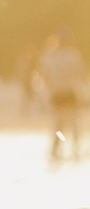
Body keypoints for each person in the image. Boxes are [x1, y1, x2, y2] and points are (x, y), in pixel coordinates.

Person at [31, 32, 86, 163]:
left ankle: (55, 151)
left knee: (58, 123)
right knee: (74, 122)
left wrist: (47, 93)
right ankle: (76, 151)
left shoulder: (49, 57)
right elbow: (80, 75)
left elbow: (42, 76)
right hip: (70, 92)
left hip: (56, 94)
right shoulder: (73, 56)